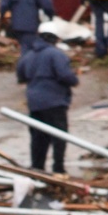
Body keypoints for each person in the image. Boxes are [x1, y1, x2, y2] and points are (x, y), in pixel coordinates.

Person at [16, 25, 79, 173]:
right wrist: (74, 80)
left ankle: (37, 169)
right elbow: (65, 75)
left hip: (34, 103)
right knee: (59, 136)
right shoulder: (56, 54)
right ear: (55, 39)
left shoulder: (28, 55)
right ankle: (58, 168)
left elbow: (21, 76)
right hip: (54, 101)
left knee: (38, 138)